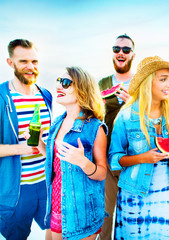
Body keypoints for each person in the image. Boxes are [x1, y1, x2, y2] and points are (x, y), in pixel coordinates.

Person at [109, 56, 169, 239]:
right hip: (134, 193)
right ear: (147, 83)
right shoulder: (127, 115)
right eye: (163, 79)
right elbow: (114, 159)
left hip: (164, 191)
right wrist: (142, 158)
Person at [25, 66, 107, 239]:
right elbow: (55, 161)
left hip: (81, 211)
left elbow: (102, 173)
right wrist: (39, 142)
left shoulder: (94, 128)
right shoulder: (57, 123)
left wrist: (83, 162)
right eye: (58, 81)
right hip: (55, 205)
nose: (59, 86)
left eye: (66, 82)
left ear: (82, 90)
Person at [0, 39, 52, 240]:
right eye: (23, 61)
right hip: (15, 190)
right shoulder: (2, 97)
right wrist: (19, 149)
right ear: (10, 62)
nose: (31, 67)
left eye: (35, 61)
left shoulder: (45, 95)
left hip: (46, 183)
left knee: (58, 233)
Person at [98, 34, 135, 240]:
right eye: (117, 49)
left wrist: (133, 104)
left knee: (132, 215)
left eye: (126, 50)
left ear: (133, 54)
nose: (121, 53)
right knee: (106, 214)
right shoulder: (102, 83)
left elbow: (152, 116)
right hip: (106, 157)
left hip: (134, 158)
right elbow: (92, 116)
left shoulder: (142, 83)